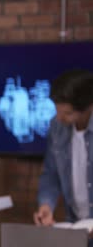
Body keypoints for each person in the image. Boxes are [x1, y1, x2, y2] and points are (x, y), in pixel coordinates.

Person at [34, 70, 93, 243]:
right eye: (57, 111)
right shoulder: (57, 127)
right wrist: (46, 205)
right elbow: (51, 173)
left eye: (67, 113)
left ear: (88, 107)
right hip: (75, 225)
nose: (59, 118)